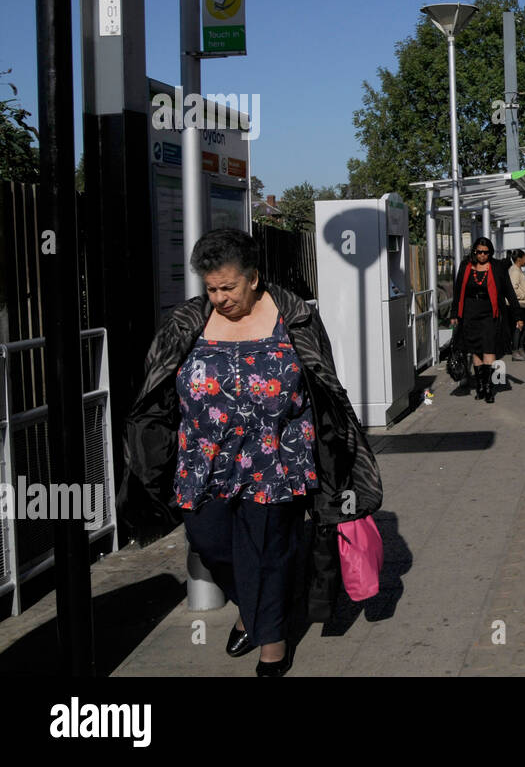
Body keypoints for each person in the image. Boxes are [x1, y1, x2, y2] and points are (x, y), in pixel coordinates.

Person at [122, 228, 382, 677]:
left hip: (276, 457)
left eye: (229, 287)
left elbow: (325, 385)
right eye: (211, 289)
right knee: (209, 541)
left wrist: (340, 454)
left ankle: (272, 643)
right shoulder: (187, 321)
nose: (220, 297)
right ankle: (256, 604)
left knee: (264, 548)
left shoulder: (294, 317)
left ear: (254, 277)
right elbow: (155, 388)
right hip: (204, 459)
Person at [450, 236, 522, 403]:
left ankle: (489, 387)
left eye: (486, 252)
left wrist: (517, 315)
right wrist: (454, 314)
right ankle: (480, 385)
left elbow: (509, 292)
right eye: (480, 252)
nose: (483, 255)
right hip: (470, 313)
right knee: (476, 350)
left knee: (489, 348)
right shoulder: (466, 265)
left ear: (490, 252)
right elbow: (458, 290)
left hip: (490, 313)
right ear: (474, 251)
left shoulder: (497, 267)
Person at [507, 249, 525, 360]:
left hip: (524, 305)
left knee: (524, 327)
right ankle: (515, 351)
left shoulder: (518, 270)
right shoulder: (514, 271)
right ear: (519, 259)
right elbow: (513, 288)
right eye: (524, 257)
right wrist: (523, 295)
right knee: (519, 327)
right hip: (519, 304)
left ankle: (521, 349)